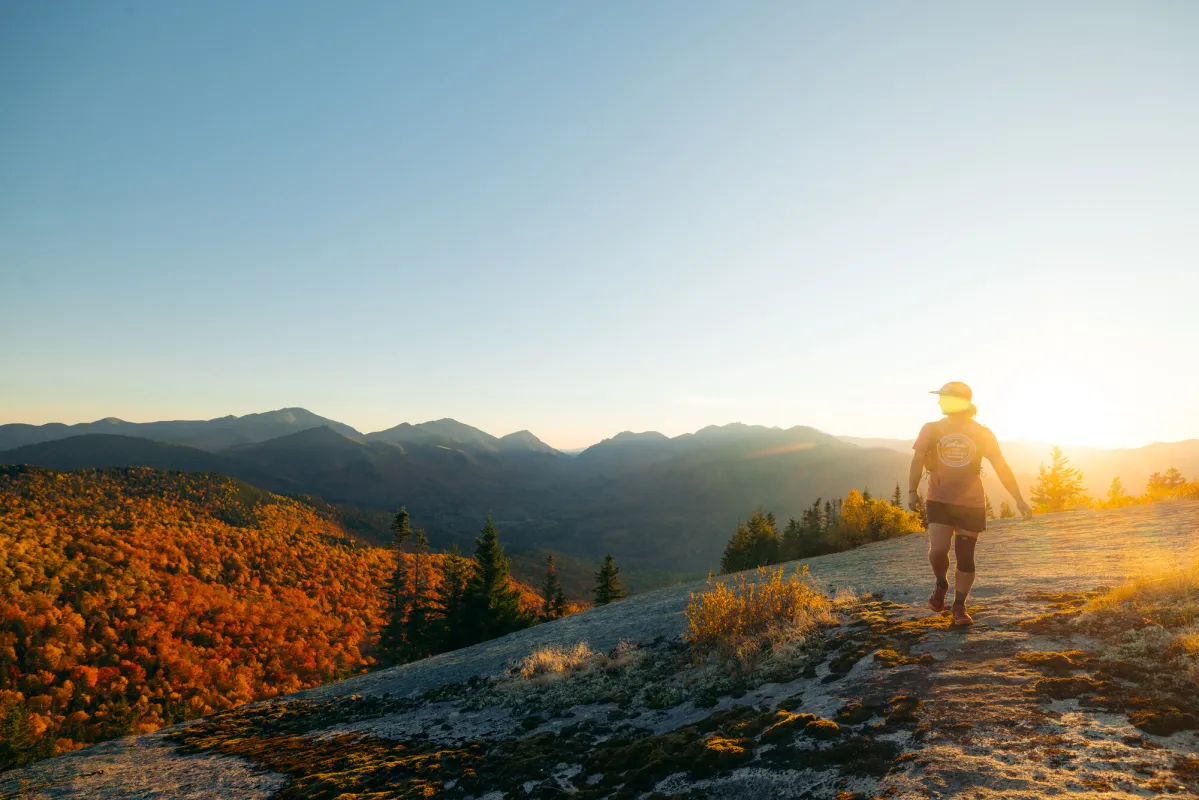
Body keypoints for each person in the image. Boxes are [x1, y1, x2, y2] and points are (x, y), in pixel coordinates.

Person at [908, 382, 1031, 625]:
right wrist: (912, 491)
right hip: (939, 499)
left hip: (971, 502)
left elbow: (1000, 466)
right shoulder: (931, 429)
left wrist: (1018, 498)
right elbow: (917, 460)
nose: (939, 402)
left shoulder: (981, 433)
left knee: (966, 556)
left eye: (943, 397)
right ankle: (941, 584)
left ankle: (959, 606)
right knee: (939, 550)